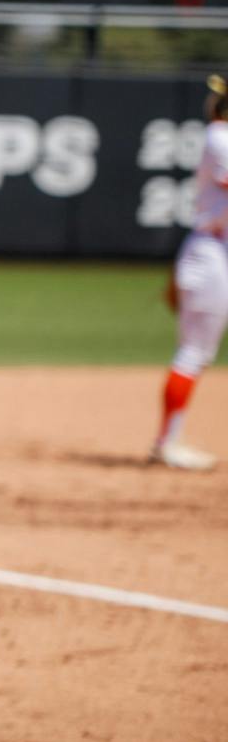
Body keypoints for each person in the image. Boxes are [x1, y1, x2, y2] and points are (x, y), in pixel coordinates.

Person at [151, 73, 228, 470]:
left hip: (214, 255)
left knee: (198, 353)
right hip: (212, 255)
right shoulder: (220, 137)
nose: (213, 103)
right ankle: (167, 443)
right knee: (193, 353)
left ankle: (168, 440)